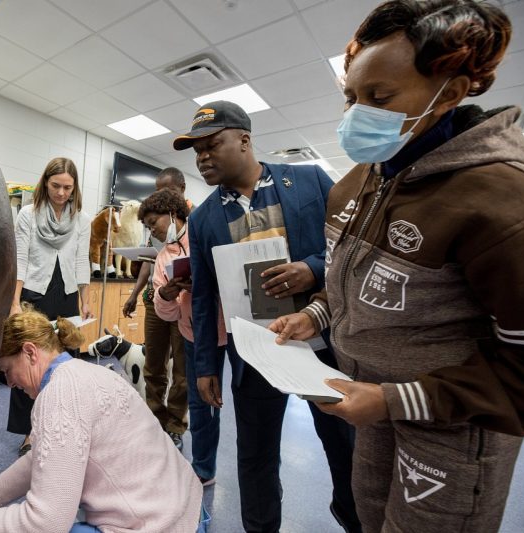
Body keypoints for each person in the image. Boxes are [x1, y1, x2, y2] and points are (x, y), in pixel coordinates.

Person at [271, 2, 524, 532]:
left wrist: (396, 399)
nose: (356, 114)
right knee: (371, 521)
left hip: (452, 425)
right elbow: (352, 280)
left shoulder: (505, 202)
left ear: (453, 92)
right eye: (351, 97)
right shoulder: (359, 181)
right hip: (370, 405)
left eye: (380, 97)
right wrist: (319, 316)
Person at [175, 100, 360, 533]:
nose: (202, 156)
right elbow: (203, 298)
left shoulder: (310, 181)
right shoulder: (202, 220)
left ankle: (355, 518)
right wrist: (206, 365)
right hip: (256, 356)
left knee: (344, 446)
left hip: (325, 348)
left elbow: (348, 249)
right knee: (255, 455)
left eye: (211, 144)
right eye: (195, 150)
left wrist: (311, 269)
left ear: (244, 139)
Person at [0, 308, 205, 533]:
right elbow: (41, 458)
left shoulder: (59, 396)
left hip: (161, 526)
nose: (11, 384)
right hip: (189, 511)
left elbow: (46, 524)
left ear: (30, 352)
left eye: (8, 370)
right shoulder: (93, 372)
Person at [139, 188, 227, 487]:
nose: (153, 231)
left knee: (239, 400)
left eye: (154, 223)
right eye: (148, 228)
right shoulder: (164, 257)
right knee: (201, 401)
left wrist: (203, 282)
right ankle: (203, 468)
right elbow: (168, 314)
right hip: (195, 334)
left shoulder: (203, 232)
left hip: (229, 332)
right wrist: (165, 295)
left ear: (173, 214)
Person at [8, 157, 92, 456]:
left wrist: (85, 298)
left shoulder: (81, 220)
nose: (61, 193)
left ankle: (61, 426)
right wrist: (15, 301)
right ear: (45, 182)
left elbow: (82, 259)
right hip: (34, 291)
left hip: (67, 294)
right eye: (56, 186)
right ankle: (31, 431)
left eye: (67, 187)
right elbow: (19, 258)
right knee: (28, 361)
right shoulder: (28, 215)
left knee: (65, 363)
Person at [122, 167, 190, 450]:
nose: (162, 196)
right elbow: (148, 263)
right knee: (154, 364)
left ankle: (175, 424)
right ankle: (154, 419)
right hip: (156, 297)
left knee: (182, 371)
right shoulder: (155, 224)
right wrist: (135, 294)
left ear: (182, 190)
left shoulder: (195, 221)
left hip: (184, 304)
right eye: (158, 191)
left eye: (168, 191)